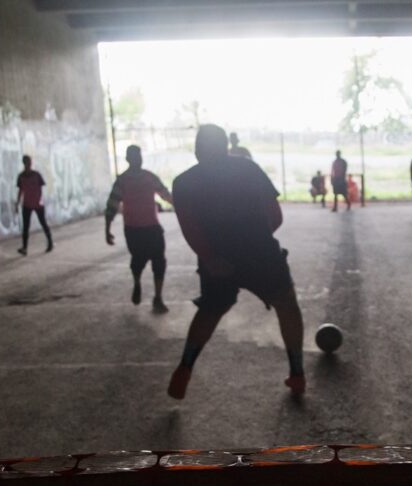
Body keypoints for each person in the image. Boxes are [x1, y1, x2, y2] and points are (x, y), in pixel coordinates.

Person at [167, 124, 305, 399]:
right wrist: (256, 243)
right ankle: (297, 373)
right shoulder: (248, 169)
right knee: (286, 304)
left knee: (209, 310)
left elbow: (189, 228)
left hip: (217, 259)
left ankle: (185, 367)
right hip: (261, 253)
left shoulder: (183, 183)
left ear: (196, 151)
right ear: (226, 148)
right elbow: (275, 216)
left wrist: (210, 257)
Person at [106, 144, 174, 312]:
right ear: (129, 159)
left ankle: (158, 297)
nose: (138, 159)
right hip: (133, 229)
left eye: (140, 156)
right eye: (135, 156)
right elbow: (112, 205)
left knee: (159, 261)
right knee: (138, 260)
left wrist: (183, 207)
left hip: (152, 227)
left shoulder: (149, 177)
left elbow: (166, 195)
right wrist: (107, 229)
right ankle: (137, 283)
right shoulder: (122, 181)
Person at [15, 155, 53, 255]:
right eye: (28, 162)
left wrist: (38, 199)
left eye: (30, 162)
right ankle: (24, 248)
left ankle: (50, 243)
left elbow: (40, 189)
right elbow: (20, 191)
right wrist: (17, 203)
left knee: (43, 223)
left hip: (37, 204)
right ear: (24, 163)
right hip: (27, 204)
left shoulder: (36, 174)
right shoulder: (21, 176)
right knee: (26, 227)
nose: (30, 164)